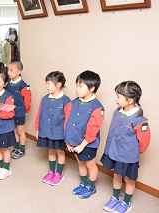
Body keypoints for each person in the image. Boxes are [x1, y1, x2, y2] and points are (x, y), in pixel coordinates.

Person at [100, 81, 150, 213]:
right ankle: (115, 198)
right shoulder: (117, 112)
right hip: (114, 151)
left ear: (130, 100)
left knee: (129, 179)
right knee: (116, 175)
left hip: (128, 155)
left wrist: (132, 152)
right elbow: (112, 131)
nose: (115, 100)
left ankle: (126, 202)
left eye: (118, 97)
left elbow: (144, 142)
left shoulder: (140, 120)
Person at [64, 70, 104, 199]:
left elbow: (93, 129)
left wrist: (82, 145)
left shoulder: (97, 107)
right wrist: (68, 141)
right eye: (77, 85)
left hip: (87, 144)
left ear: (92, 88)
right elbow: (67, 122)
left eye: (81, 86)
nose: (77, 89)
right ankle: (83, 183)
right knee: (80, 163)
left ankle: (91, 186)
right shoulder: (73, 102)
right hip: (74, 141)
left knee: (90, 165)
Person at [35, 71, 70, 185]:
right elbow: (39, 115)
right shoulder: (44, 99)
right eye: (46, 83)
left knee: (60, 152)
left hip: (59, 133)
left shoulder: (66, 100)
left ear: (58, 85)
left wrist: (67, 135)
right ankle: (51, 171)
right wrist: (37, 129)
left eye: (49, 83)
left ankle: (59, 173)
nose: (46, 86)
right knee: (50, 151)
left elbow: (68, 119)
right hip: (46, 131)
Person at [7, 61, 31, 159]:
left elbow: (28, 99)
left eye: (11, 70)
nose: (8, 72)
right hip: (10, 112)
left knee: (20, 130)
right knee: (14, 130)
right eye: (8, 70)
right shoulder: (8, 84)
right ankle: (16, 146)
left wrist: (25, 110)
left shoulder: (23, 85)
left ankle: (22, 148)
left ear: (19, 71)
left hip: (19, 112)